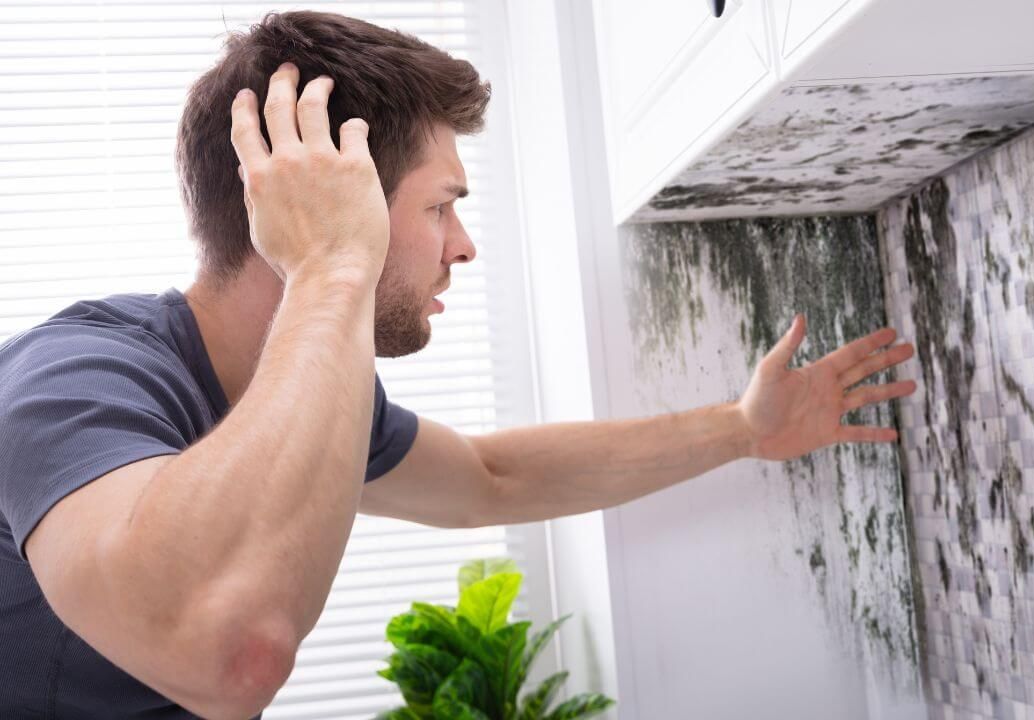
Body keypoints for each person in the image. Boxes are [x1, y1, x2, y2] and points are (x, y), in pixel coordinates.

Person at [0, 10, 917, 720]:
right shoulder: (74, 382)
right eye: (441, 206)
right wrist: (329, 263)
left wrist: (741, 430)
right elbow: (228, 653)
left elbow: (489, 477)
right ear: (322, 192)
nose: (464, 245)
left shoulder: (311, 396)